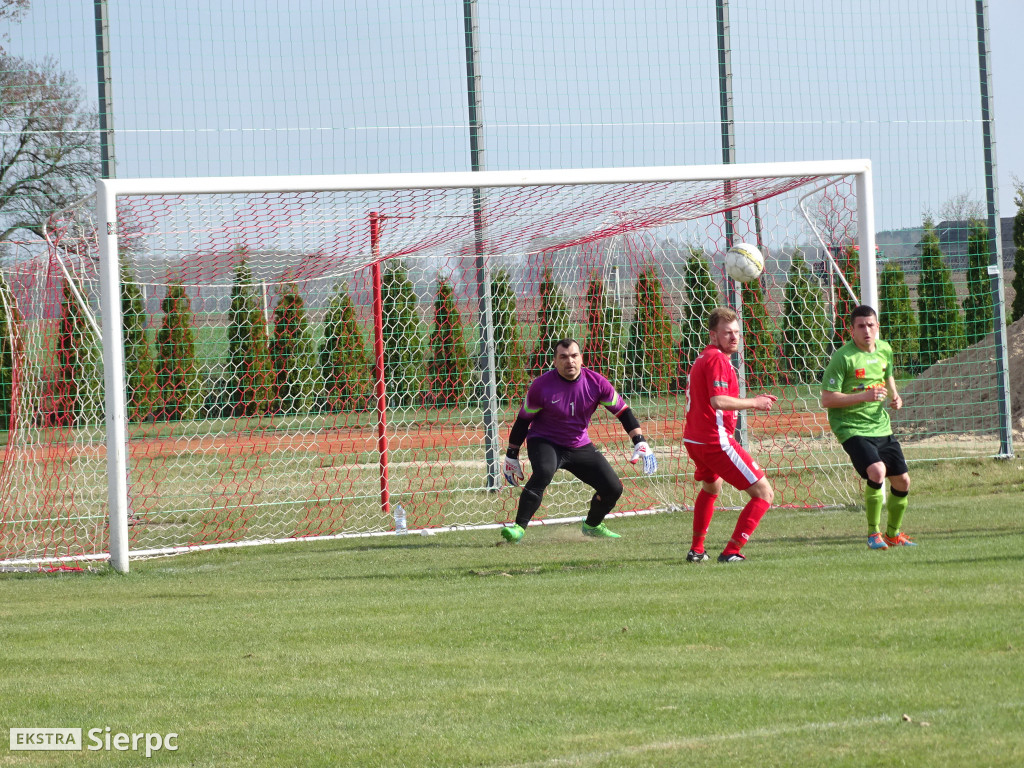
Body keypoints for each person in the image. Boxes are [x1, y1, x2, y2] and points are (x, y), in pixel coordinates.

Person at [500, 338, 657, 542]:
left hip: (578, 445)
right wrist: (512, 455)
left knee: (613, 488)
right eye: (563, 357)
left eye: (574, 356)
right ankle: (518, 529)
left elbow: (623, 412)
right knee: (544, 473)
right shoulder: (541, 386)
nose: (570, 361)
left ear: (581, 359)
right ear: (555, 361)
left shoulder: (597, 383)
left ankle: (592, 525)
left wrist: (640, 441)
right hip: (545, 441)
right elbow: (523, 421)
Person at [683, 306, 776, 563]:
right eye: (727, 333)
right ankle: (732, 551)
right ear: (713, 336)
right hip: (714, 440)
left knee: (712, 487)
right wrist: (755, 402)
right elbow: (718, 401)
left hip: (694, 439)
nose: (734, 338)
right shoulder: (717, 359)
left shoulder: (704, 357)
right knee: (764, 493)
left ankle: (697, 550)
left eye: (736, 332)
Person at [821, 304, 914, 550]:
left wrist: (895, 396)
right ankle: (873, 534)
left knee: (903, 481)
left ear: (877, 327)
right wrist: (863, 396)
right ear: (851, 330)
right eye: (860, 326)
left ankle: (893, 534)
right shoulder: (843, 357)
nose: (867, 331)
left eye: (870, 325)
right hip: (850, 426)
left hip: (880, 425)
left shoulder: (885, 350)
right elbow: (827, 399)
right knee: (877, 471)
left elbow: (888, 374)